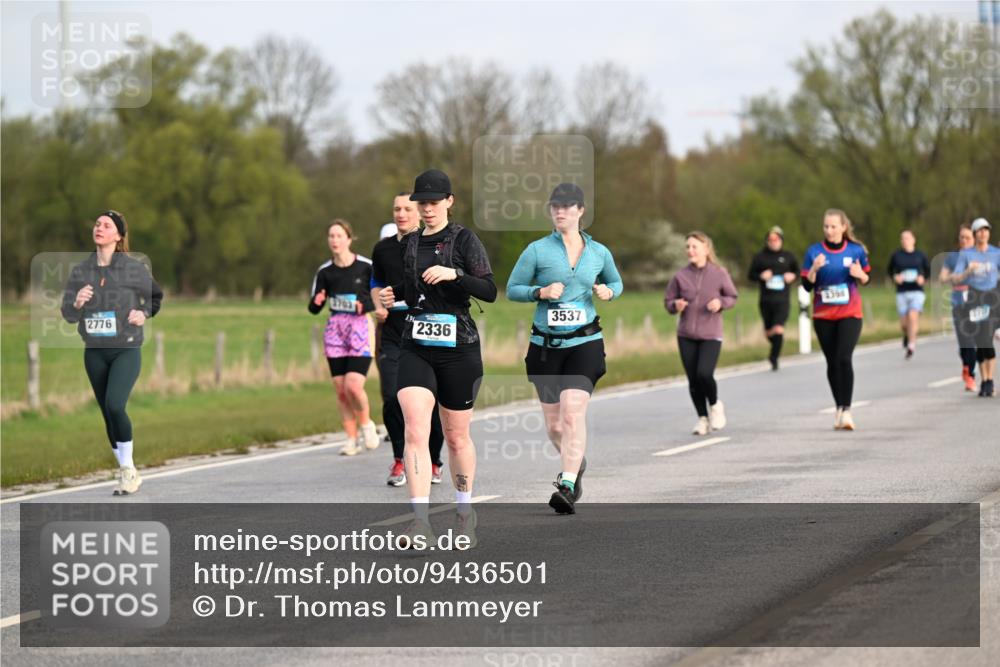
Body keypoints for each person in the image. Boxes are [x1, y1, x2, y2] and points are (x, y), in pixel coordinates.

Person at [379, 169, 497, 547]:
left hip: (458, 348)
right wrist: (390, 294)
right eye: (421, 203)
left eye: (433, 202)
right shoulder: (411, 243)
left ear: (449, 201)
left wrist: (454, 274)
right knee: (415, 429)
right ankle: (420, 523)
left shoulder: (464, 239)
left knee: (456, 436)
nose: (426, 209)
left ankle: (465, 511)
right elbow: (413, 288)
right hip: (416, 344)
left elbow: (489, 290)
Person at [507, 183, 623, 515]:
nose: (561, 211)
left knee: (573, 412)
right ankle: (576, 461)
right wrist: (539, 293)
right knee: (555, 426)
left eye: (568, 206)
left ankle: (567, 483)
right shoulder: (537, 250)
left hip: (584, 343)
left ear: (580, 211)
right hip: (545, 346)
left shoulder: (598, 252)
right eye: (556, 206)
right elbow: (512, 289)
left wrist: (608, 292)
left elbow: (616, 281)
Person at [61, 210, 163, 496]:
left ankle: (128, 470)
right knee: (107, 413)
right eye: (97, 224)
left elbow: (156, 297)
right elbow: (68, 314)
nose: (99, 228)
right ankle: (126, 472)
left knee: (116, 405)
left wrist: (143, 313)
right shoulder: (81, 271)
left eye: (106, 225)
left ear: (118, 236)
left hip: (125, 349)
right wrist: (77, 303)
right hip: (94, 351)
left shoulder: (132, 269)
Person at [370, 193, 446, 487]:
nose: (401, 214)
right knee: (392, 397)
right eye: (396, 209)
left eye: (407, 209)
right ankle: (401, 458)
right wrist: (378, 305)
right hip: (393, 333)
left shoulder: (433, 245)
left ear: (419, 212)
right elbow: (376, 282)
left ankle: (434, 460)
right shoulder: (383, 249)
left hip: (427, 331)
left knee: (431, 402)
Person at [308, 220, 380, 455]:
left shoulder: (365, 267)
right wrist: (317, 302)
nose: (335, 240)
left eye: (339, 236)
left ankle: (367, 424)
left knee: (354, 386)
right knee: (340, 389)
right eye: (331, 236)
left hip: (360, 327)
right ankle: (351, 439)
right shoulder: (325, 271)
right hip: (336, 329)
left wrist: (364, 305)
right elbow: (314, 306)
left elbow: (378, 297)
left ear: (349, 239)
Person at [800, 209, 871, 430]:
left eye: (833, 226)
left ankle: (847, 411)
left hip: (850, 313)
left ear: (843, 227)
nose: (829, 230)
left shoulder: (855, 250)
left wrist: (860, 274)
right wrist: (814, 268)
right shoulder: (814, 252)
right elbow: (806, 285)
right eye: (826, 227)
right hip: (823, 315)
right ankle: (839, 406)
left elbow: (866, 278)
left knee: (843, 357)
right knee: (832, 362)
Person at [664, 232, 738, 436]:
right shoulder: (680, 276)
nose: (690, 251)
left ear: (706, 249)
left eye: (694, 246)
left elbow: (732, 296)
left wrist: (720, 303)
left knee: (704, 373)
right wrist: (675, 305)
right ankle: (702, 419)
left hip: (711, 333)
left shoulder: (719, 273)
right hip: (686, 334)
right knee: (693, 379)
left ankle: (715, 405)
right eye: (687, 247)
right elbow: (668, 302)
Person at [950, 218, 1000, 397]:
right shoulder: (966, 254)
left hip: (992, 297)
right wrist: (968, 272)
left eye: (986, 230)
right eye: (979, 230)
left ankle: (989, 380)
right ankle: (984, 379)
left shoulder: (996, 253)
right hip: (974, 297)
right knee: (980, 339)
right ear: (974, 233)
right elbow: (955, 278)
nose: (983, 233)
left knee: (987, 336)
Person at [747, 226, 799, 371]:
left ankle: (774, 357)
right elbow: (750, 275)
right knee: (769, 332)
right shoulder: (760, 257)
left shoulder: (789, 256)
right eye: (770, 240)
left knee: (778, 329)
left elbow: (798, 272)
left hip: (782, 300)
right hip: (765, 301)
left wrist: (793, 276)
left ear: (781, 240)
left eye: (776, 239)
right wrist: (761, 276)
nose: (773, 242)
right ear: (767, 241)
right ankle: (774, 349)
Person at [939, 224, 978, 391]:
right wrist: (962, 274)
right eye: (961, 237)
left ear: (974, 239)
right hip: (958, 302)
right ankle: (966, 367)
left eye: (967, 237)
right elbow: (942, 278)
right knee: (964, 340)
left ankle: (971, 375)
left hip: (977, 301)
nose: (964, 240)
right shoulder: (952, 257)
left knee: (974, 339)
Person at [887, 229, 931, 359]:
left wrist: (923, 278)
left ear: (913, 240)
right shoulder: (896, 255)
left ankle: (911, 345)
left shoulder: (920, 255)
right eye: (902, 238)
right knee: (904, 324)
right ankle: (907, 335)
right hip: (902, 291)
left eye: (907, 238)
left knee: (913, 316)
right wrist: (895, 277)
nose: (904, 241)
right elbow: (890, 270)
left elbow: (928, 270)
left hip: (917, 291)